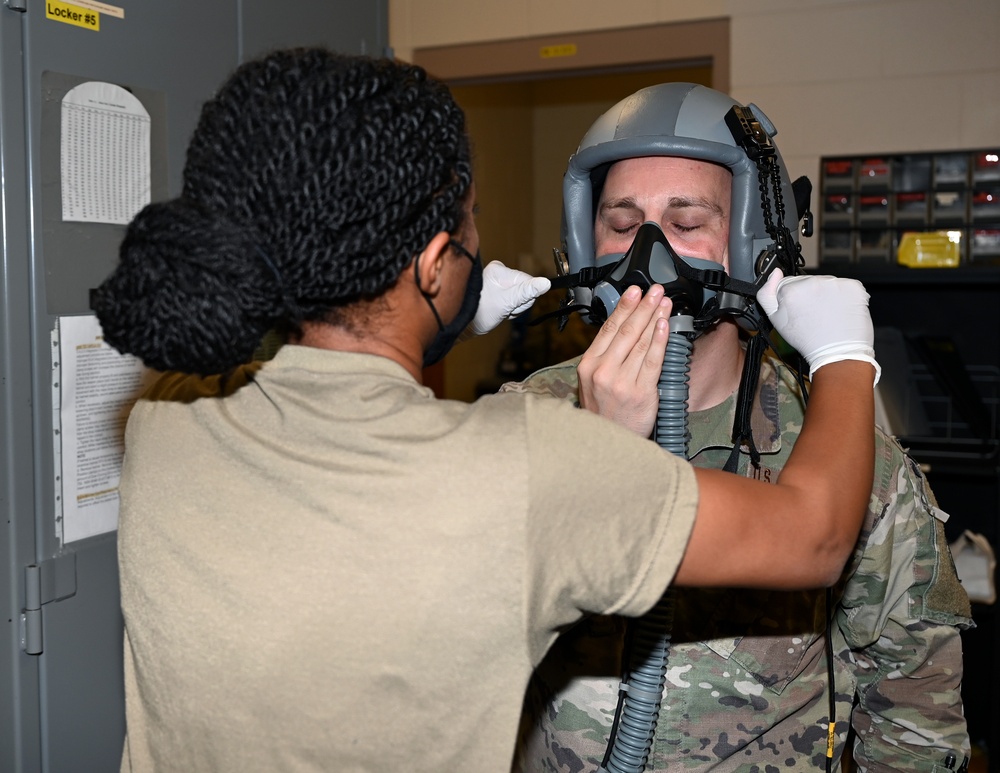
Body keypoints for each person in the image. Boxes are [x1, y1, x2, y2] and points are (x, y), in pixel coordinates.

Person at [92, 50, 879, 773]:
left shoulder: (165, 423)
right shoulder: (532, 461)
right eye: (467, 224)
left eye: (684, 221)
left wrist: (426, 322)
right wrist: (845, 357)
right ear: (436, 265)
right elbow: (815, 537)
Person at [506, 83, 973, 773]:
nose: (649, 253)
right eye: (623, 219)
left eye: (686, 220)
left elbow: (913, 715)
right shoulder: (520, 425)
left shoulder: (837, 457)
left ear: (755, 241)